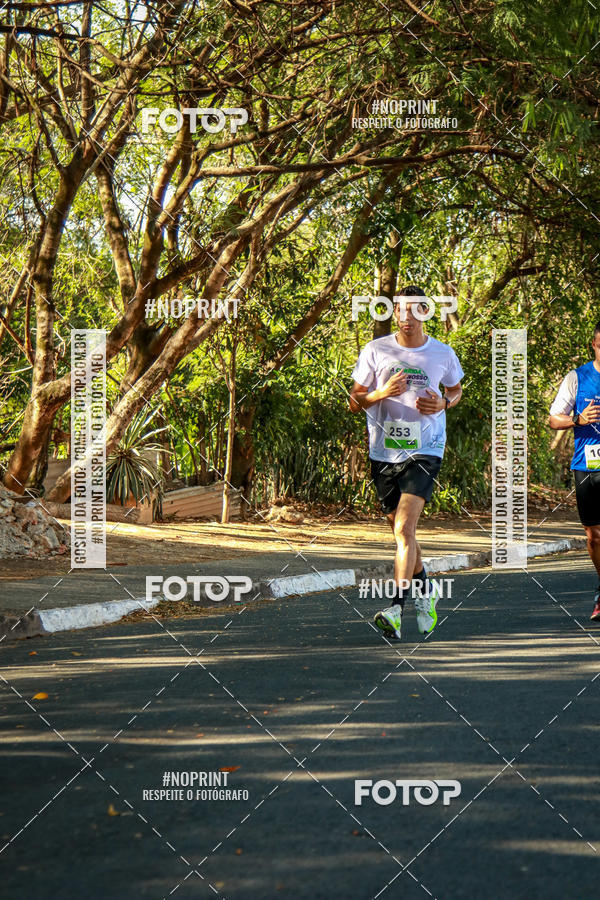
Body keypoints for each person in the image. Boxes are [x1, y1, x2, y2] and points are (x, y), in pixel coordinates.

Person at [349, 286, 464, 640]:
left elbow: (456, 389)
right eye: (400, 310)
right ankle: (426, 591)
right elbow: (354, 402)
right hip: (384, 452)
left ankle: (395, 608)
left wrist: (444, 403)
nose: (407, 316)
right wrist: (381, 393)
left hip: (425, 449)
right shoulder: (375, 350)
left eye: (415, 310)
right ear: (393, 313)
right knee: (403, 533)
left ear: (427, 313)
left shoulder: (442, 353)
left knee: (403, 529)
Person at [549, 321, 600, 621]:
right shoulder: (577, 378)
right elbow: (554, 419)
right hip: (587, 465)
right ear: (594, 344)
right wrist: (577, 420)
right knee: (593, 536)